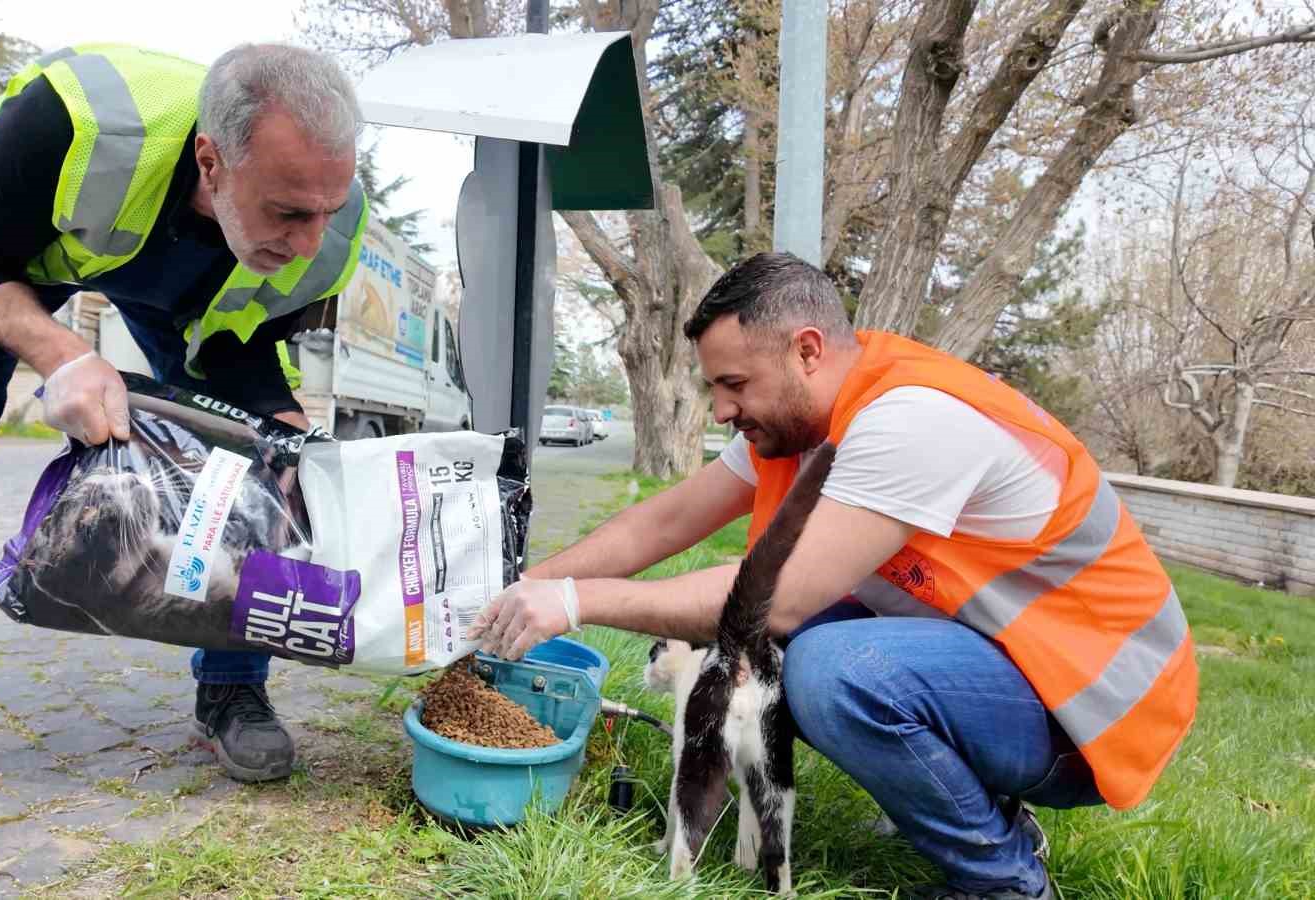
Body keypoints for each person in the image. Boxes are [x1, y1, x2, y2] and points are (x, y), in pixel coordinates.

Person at [470, 253, 1198, 900]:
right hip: (1008, 673)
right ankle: (992, 815)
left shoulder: (912, 420)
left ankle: (1002, 880)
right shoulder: (804, 420)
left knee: (829, 668)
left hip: (1092, 710)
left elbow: (776, 599)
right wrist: (520, 591)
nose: (723, 410)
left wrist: (575, 602)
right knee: (793, 655)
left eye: (733, 385)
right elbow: (657, 525)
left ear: (807, 352)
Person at [0, 42, 369, 804]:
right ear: (211, 161)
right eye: (287, 213)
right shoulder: (71, 120)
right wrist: (64, 356)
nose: (311, 240)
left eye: (326, 213)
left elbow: (245, 352)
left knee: (260, 458)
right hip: (13, 257)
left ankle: (233, 687)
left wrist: (289, 444)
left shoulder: (325, 223)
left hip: (177, 288)